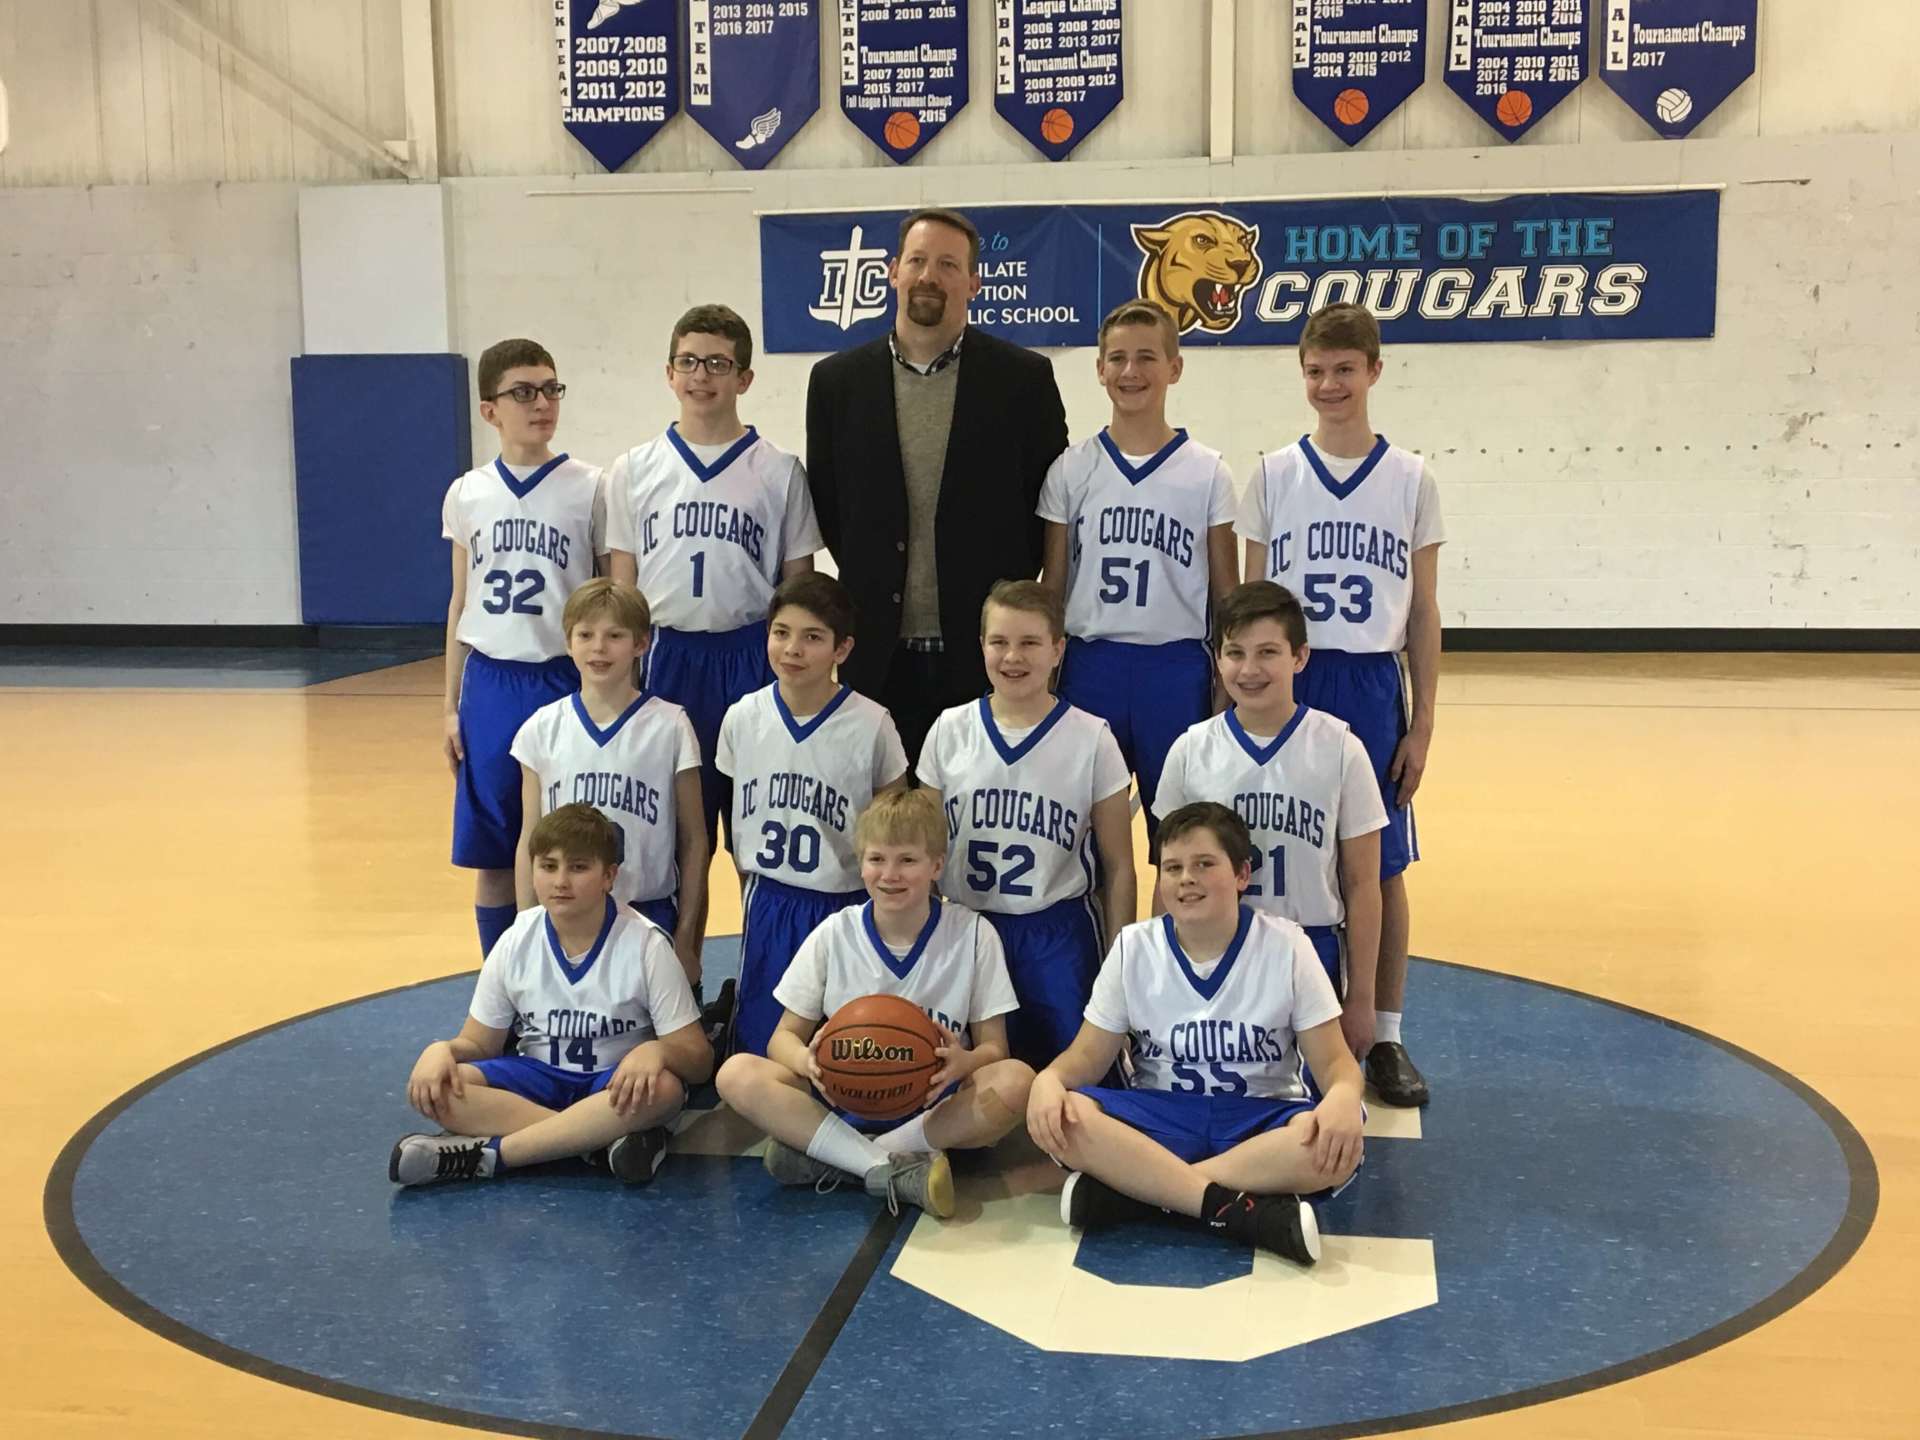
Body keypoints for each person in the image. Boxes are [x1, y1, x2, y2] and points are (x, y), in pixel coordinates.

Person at [1235, 302, 1444, 1108]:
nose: (1330, 385)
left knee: (1381, 866)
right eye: (1316, 371)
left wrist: (1423, 724)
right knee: (1272, 844)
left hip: (1369, 682)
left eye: (1345, 370)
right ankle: (1262, 1013)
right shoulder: (1274, 474)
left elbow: (1423, 613)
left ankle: (1383, 1033)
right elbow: (1250, 603)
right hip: (1288, 677)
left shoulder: (1412, 478)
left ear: (1374, 371)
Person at [1026, 802, 1365, 1265]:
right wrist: (1047, 1080)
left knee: (1332, 1138)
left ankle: (1141, 1193)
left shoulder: (1287, 945)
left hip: (1258, 1120)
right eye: (1173, 868)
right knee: (1070, 1116)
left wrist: (1344, 1097)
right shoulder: (1133, 947)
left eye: (1204, 864)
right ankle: (1239, 1210)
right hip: (1162, 1116)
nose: (1187, 878)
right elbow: (1086, 1057)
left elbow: (1335, 1063)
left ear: (1242, 874)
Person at [805, 207, 1070, 764]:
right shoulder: (835, 382)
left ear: (974, 282)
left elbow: (1047, 509)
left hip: (985, 653)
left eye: (949, 265)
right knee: (883, 812)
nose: (929, 276)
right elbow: (830, 505)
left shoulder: (1023, 380)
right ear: (893, 271)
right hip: (877, 650)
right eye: (918, 261)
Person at [713, 789, 1034, 1218]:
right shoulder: (834, 933)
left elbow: (996, 1049)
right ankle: (887, 1167)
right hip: (842, 1098)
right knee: (736, 1073)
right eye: (877, 859)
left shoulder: (973, 934)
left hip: (934, 1104)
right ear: (860, 863)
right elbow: (782, 1039)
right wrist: (807, 1060)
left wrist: (965, 1062)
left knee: (1017, 1081)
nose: (890, 874)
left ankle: (841, 1157)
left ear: (937, 865)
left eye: (908, 860)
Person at [390, 804, 712, 1187]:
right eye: (548, 866)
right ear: (532, 871)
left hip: (611, 1083)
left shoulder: (646, 944)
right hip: (539, 1077)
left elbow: (698, 1061)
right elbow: (480, 1044)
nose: (560, 881)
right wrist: (441, 1050)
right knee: (441, 1086)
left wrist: (658, 1051)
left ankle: (492, 1156)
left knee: (664, 1090)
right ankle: (595, 1143)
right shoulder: (515, 940)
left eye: (578, 867)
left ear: (609, 876)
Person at [605, 304, 821, 846]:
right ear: (669, 373)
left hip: (751, 653)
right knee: (680, 834)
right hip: (668, 655)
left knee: (759, 826)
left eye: (718, 364)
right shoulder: (633, 470)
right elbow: (623, 590)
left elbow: (800, 588)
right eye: (689, 361)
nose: (701, 375)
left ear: (744, 378)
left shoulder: (779, 471)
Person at [1153, 582, 1385, 1061]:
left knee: (1318, 1103)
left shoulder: (1341, 749)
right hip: (1213, 949)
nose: (1249, 669)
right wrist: (1160, 972)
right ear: (1218, 659)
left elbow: (1364, 884)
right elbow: (1168, 879)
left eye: (1267, 652)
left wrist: (1363, 997)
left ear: (1300, 657)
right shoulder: (1190, 750)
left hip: (1311, 949)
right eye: (1235, 653)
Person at [1039, 300, 1237, 845]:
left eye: (1147, 357)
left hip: (1175, 670)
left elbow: (1228, 596)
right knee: (1081, 836)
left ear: (1175, 367)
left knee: (1182, 835)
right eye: (1118, 358)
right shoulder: (1071, 469)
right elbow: (1053, 588)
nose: (1131, 371)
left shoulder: (1208, 472)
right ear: (1099, 369)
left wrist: (1226, 682)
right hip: (1090, 665)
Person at [916, 581, 1135, 1069]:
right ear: (981, 646)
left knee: (1078, 1080)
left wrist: (1119, 967)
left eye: (1030, 643)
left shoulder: (1092, 738)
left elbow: (1120, 866)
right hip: (966, 928)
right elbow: (924, 853)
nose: (1013, 657)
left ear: (1058, 650)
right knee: (953, 1075)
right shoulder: (948, 730)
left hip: (1058, 935)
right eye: (999, 642)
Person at [441, 339, 605, 956]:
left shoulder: (591, 487)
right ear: (490, 410)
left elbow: (607, 598)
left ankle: (571, 974)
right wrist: (449, 705)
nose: (542, 403)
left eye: (551, 389)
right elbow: (460, 603)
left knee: (571, 843)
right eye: (524, 392)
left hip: (564, 678)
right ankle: (501, 980)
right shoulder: (467, 492)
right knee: (493, 849)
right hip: (491, 682)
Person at [717, 572, 909, 1057]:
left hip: (844, 903)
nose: (793, 649)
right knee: (761, 1052)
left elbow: (896, 825)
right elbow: (736, 824)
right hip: (770, 901)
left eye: (812, 637)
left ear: (842, 649)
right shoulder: (742, 717)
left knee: (851, 1050)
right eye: (781, 633)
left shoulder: (872, 723)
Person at [510, 578, 708, 997]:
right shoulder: (541, 729)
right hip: (566, 919)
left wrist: (687, 937)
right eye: (586, 635)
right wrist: (524, 928)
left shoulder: (671, 725)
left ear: (641, 644)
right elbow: (529, 838)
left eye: (614, 636)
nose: (599, 648)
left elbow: (694, 841)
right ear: (568, 642)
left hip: (649, 913)